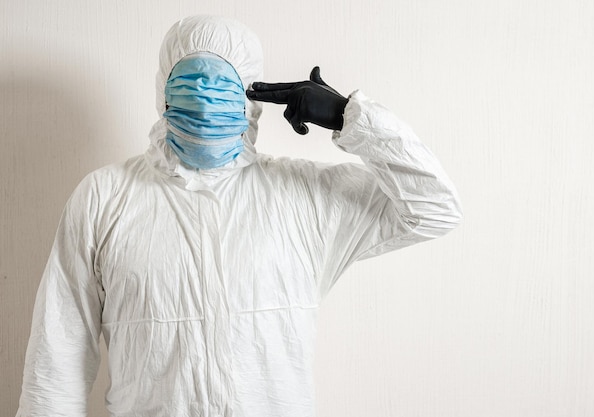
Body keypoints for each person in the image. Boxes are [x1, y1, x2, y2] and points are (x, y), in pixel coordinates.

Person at [16, 14, 462, 417]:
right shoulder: (104, 198)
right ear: (163, 91)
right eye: (190, 83)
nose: (206, 104)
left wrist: (350, 118)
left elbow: (434, 207)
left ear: (251, 95)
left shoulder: (304, 198)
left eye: (223, 86)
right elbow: (58, 357)